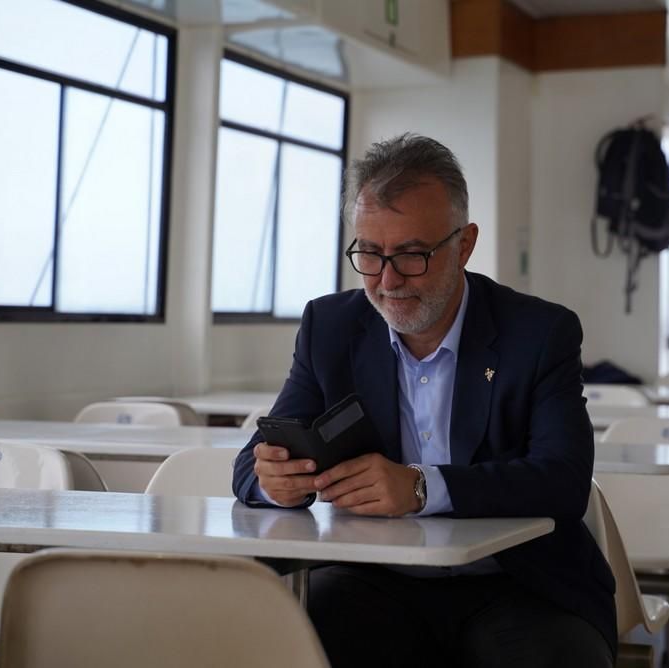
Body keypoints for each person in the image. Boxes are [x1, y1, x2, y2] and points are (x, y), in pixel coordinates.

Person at [232, 133, 615, 667]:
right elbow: (253, 463)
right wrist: (274, 481)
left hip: (519, 583)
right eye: (369, 253)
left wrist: (419, 487)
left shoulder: (540, 332)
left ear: (464, 244)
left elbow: (563, 481)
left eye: (412, 255)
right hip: (370, 579)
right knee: (282, 639)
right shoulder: (331, 326)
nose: (387, 280)